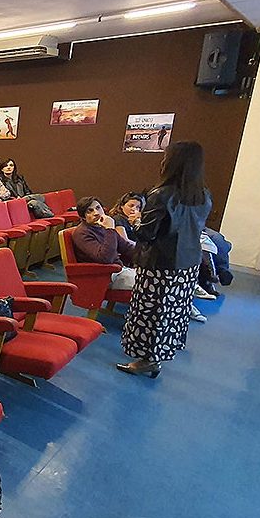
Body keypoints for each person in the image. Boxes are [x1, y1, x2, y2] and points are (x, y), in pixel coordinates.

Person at [118, 141, 212, 378]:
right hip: (189, 263)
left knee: (150, 312)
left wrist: (135, 220)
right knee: (170, 312)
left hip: (160, 264)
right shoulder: (202, 195)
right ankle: (157, 357)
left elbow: (146, 234)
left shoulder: (161, 195)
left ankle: (147, 360)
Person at [72, 196, 137, 291]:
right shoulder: (82, 233)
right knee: (148, 284)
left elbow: (126, 247)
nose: (96, 213)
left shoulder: (102, 226)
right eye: (89, 211)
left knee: (157, 276)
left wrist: (148, 255)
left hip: (119, 270)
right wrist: (110, 229)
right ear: (83, 217)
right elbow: (105, 258)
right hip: (104, 275)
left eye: (98, 208)